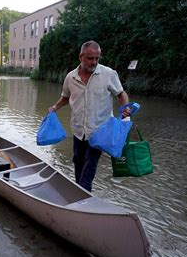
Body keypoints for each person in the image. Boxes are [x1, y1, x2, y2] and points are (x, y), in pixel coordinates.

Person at [48, 40, 131, 192]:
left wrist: (125, 108)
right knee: (78, 161)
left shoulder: (108, 74)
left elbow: (121, 94)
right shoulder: (70, 77)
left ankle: (83, 196)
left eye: (96, 58)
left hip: (100, 130)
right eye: (90, 58)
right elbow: (66, 97)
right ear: (81, 56)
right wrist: (55, 107)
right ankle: (80, 190)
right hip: (78, 129)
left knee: (89, 165)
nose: (94, 62)